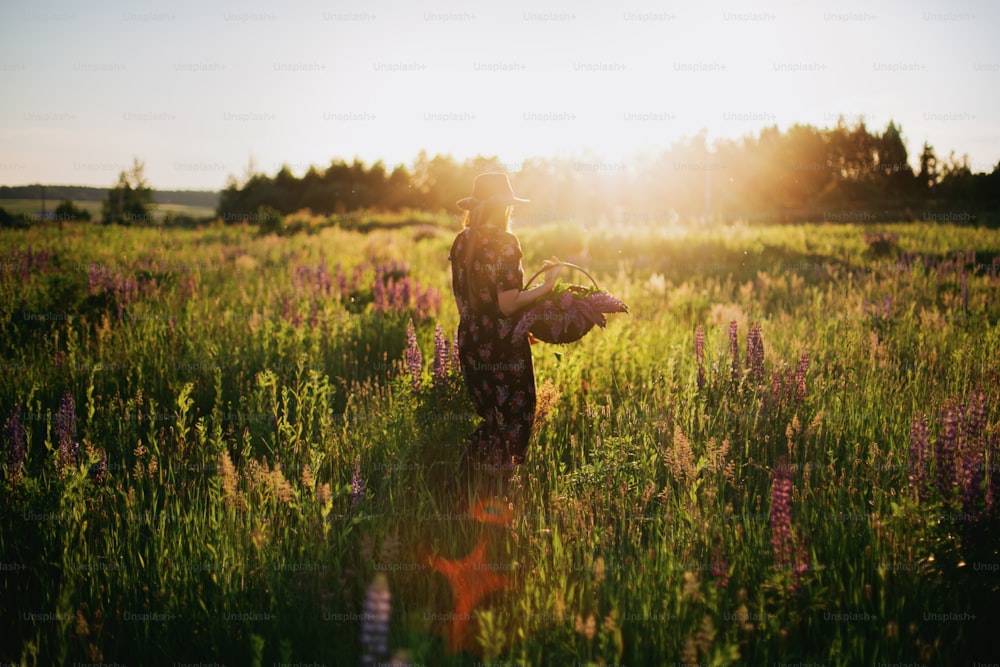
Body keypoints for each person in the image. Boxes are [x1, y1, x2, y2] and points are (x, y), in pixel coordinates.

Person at [448, 172, 561, 483]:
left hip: (470, 339)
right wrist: (547, 287)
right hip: (502, 345)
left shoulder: (461, 242)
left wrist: (492, 327)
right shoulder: (504, 242)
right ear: (504, 208)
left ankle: (470, 486)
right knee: (516, 416)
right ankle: (487, 487)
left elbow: (462, 299)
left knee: (492, 418)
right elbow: (508, 303)